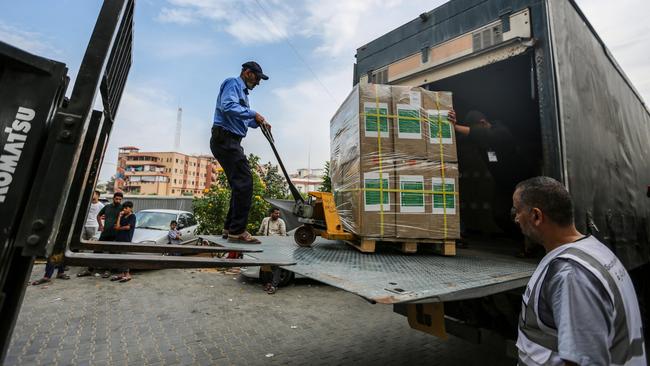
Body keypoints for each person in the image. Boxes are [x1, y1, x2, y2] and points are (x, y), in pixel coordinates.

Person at [512, 176, 646, 365]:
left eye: (517, 211)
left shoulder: (570, 275)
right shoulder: (592, 248)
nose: (516, 218)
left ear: (536, 216)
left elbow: (585, 361)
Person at [211, 61, 271, 244]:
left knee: (239, 184)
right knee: (245, 181)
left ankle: (229, 228)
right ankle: (237, 231)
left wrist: (258, 122)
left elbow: (242, 118)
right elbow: (228, 106)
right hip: (225, 139)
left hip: (230, 141)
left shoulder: (243, 94)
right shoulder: (232, 84)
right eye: (257, 78)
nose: (258, 82)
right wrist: (253, 114)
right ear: (247, 72)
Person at [77, 190, 107, 277]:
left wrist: (101, 226)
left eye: (93, 194)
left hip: (94, 226)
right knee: (83, 245)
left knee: (93, 245)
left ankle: (91, 265)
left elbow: (103, 217)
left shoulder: (101, 205)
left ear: (97, 195)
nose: (91, 195)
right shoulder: (87, 204)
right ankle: (84, 264)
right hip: (84, 226)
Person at [257, 207, 287, 294]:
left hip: (276, 248)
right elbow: (260, 231)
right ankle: (268, 284)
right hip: (266, 247)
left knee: (276, 267)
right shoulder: (265, 220)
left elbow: (283, 236)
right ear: (271, 213)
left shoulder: (281, 222)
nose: (277, 215)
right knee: (265, 267)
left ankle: (274, 286)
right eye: (276, 213)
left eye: (278, 213)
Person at [112, 201, 136, 283]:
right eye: (124, 208)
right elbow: (117, 226)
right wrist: (119, 216)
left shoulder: (132, 216)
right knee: (118, 256)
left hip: (126, 239)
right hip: (118, 238)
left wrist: (119, 228)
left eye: (126, 208)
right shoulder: (123, 216)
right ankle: (121, 273)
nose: (124, 209)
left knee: (124, 257)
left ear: (131, 208)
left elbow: (128, 227)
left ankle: (127, 274)